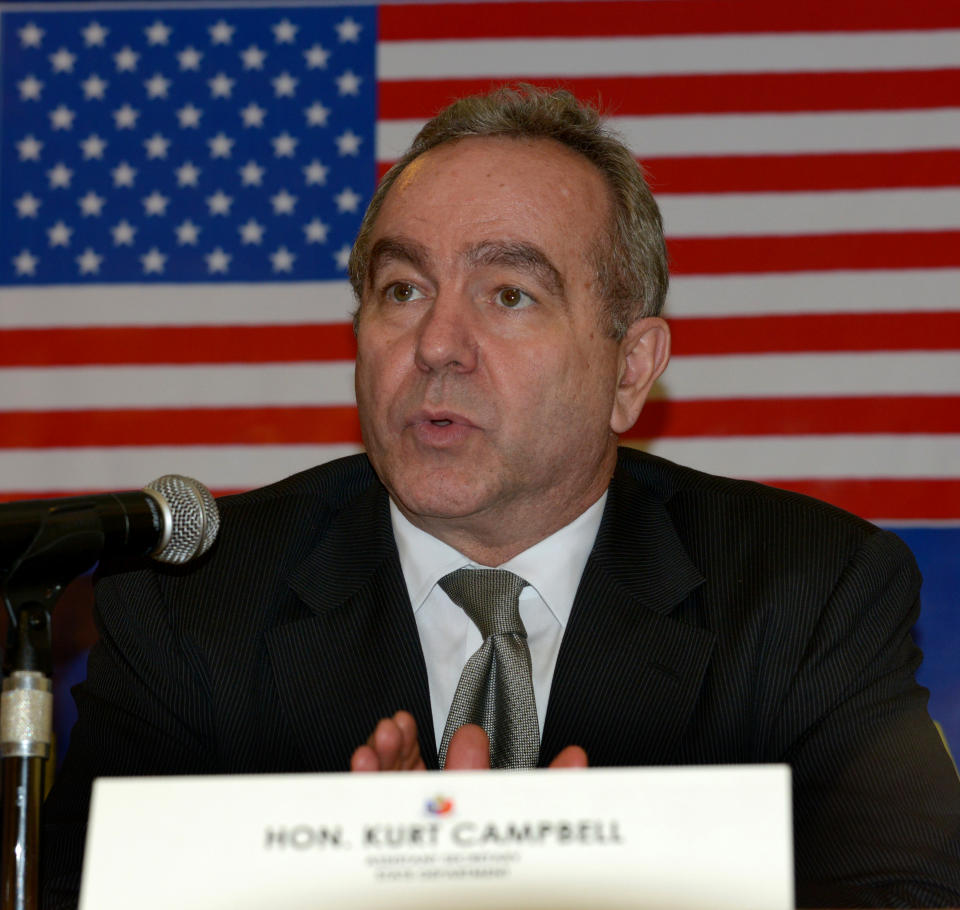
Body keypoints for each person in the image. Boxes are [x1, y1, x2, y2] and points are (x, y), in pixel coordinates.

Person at [42, 86, 960, 908]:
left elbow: (908, 895)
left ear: (630, 369)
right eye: (402, 289)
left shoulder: (808, 591)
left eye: (510, 295)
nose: (439, 343)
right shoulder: (189, 602)